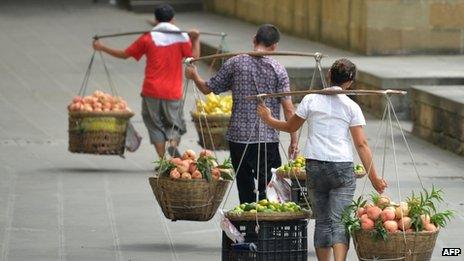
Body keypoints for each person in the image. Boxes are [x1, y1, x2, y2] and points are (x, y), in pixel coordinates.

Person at [257, 58, 388, 261]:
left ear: (328, 75)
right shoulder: (351, 107)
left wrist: (268, 119)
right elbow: (361, 145)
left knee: (323, 221)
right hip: (341, 167)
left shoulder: (311, 99)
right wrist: (374, 178)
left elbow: (291, 127)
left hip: (315, 166)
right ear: (350, 82)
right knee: (339, 221)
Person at [185, 24, 298, 204]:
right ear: (274, 46)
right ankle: (266, 224)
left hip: (238, 137)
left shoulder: (234, 63)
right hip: (266, 138)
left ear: (254, 40)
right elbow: (289, 109)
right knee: (270, 187)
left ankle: (248, 226)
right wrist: (294, 141)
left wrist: (194, 76)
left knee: (244, 186)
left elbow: (208, 88)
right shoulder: (278, 69)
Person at [92, 4, 200, 158]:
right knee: (174, 124)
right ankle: (172, 144)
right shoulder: (181, 39)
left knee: (154, 125)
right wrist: (196, 39)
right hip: (173, 91)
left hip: (151, 90)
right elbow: (194, 59)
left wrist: (101, 47)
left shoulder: (148, 38)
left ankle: (163, 161)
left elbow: (124, 54)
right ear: (173, 20)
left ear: (155, 20)